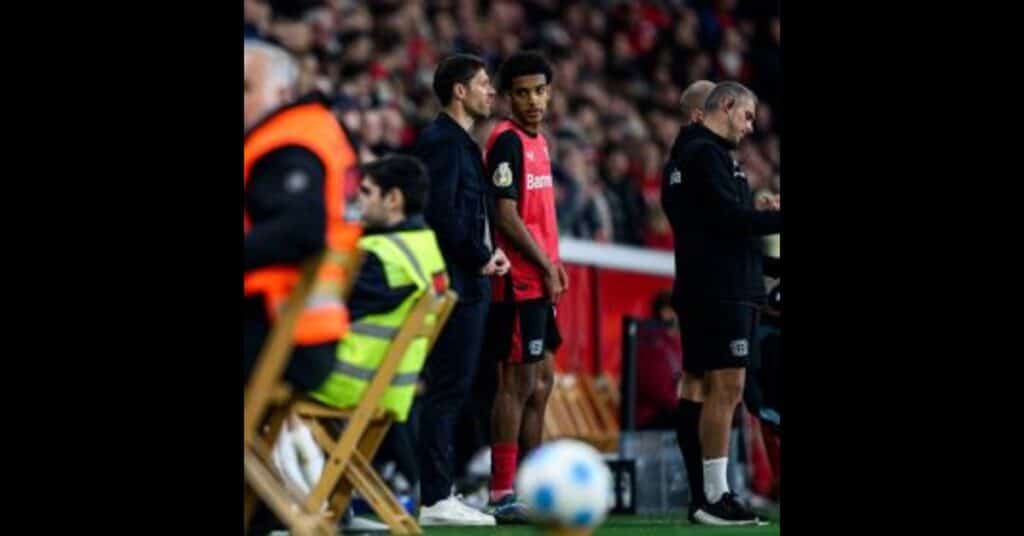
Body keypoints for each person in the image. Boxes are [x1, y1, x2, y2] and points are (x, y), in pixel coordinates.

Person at [661, 81, 781, 526]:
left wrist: (761, 218)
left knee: (697, 386)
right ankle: (715, 496)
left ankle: (704, 495)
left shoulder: (691, 157)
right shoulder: (705, 155)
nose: (750, 128)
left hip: (710, 284)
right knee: (726, 387)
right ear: (724, 107)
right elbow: (729, 222)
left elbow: (722, 223)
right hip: (722, 288)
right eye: (747, 116)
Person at [410, 54, 508, 527]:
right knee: (447, 390)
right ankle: (435, 497)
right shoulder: (443, 143)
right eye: (485, 84)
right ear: (459, 91)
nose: (493, 91)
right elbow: (441, 216)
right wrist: (479, 255)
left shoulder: (462, 144)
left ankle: (441, 490)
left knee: (460, 389)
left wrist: (486, 253)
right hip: (456, 283)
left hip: (471, 279)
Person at [479, 51, 568, 523]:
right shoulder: (506, 141)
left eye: (539, 91)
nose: (533, 101)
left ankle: (533, 486)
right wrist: (543, 264)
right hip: (519, 282)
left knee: (543, 383)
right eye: (522, 93)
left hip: (542, 278)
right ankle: (501, 492)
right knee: (515, 385)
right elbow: (506, 216)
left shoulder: (541, 143)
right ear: (508, 97)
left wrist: (556, 263)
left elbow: (538, 215)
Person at [243, 38, 358, 395]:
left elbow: (300, 230)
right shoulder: (313, 132)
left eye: (246, 88)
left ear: (284, 93)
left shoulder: (289, 145)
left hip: (280, 334)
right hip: (304, 335)